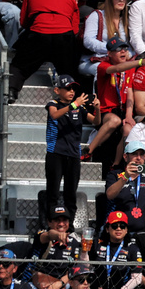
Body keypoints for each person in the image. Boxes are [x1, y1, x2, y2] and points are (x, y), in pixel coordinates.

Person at [8, 0, 81, 102]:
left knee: (20, 65)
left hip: (39, 33)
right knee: (68, 71)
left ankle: (11, 92)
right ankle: (75, 101)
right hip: (64, 36)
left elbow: (23, 21)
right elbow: (75, 29)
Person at [44, 76, 91, 219]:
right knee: (53, 190)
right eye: (68, 88)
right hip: (55, 152)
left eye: (74, 89)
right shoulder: (53, 103)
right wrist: (73, 105)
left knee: (71, 192)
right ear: (57, 90)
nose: (72, 91)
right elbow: (54, 115)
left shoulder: (79, 107)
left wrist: (97, 108)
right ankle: (50, 222)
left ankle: (69, 225)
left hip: (74, 154)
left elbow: (96, 120)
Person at [104, 140, 145, 234]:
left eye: (142, 154)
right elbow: (110, 195)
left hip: (142, 231)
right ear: (125, 157)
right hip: (117, 230)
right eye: (134, 154)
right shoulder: (114, 175)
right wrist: (126, 177)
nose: (138, 158)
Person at [81, 0, 133, 78]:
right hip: (94, 60)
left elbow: (131, 45)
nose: (121, 0)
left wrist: (129, 53)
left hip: (118, 60)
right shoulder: (97, 16)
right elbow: (88, 41)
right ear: (109, 0)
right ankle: (97, 93)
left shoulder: (126, 20)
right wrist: (111, 49)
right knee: (108, 70)